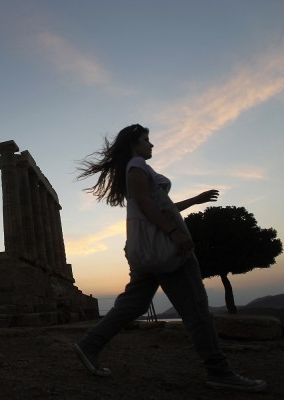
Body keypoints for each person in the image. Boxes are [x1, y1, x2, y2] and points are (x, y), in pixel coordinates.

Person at [73, 124, 266, 392]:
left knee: (133, 304)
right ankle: (219, 371)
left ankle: (89, 344)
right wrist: (175, 233)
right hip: (167, 247)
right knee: (197, 309)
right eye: (146, 140)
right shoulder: (137, 165)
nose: (151, 145)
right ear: (134, 144)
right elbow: (146, 204)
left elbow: (161, 206)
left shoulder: (132, 168)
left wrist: (194, 201)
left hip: (148, 249)